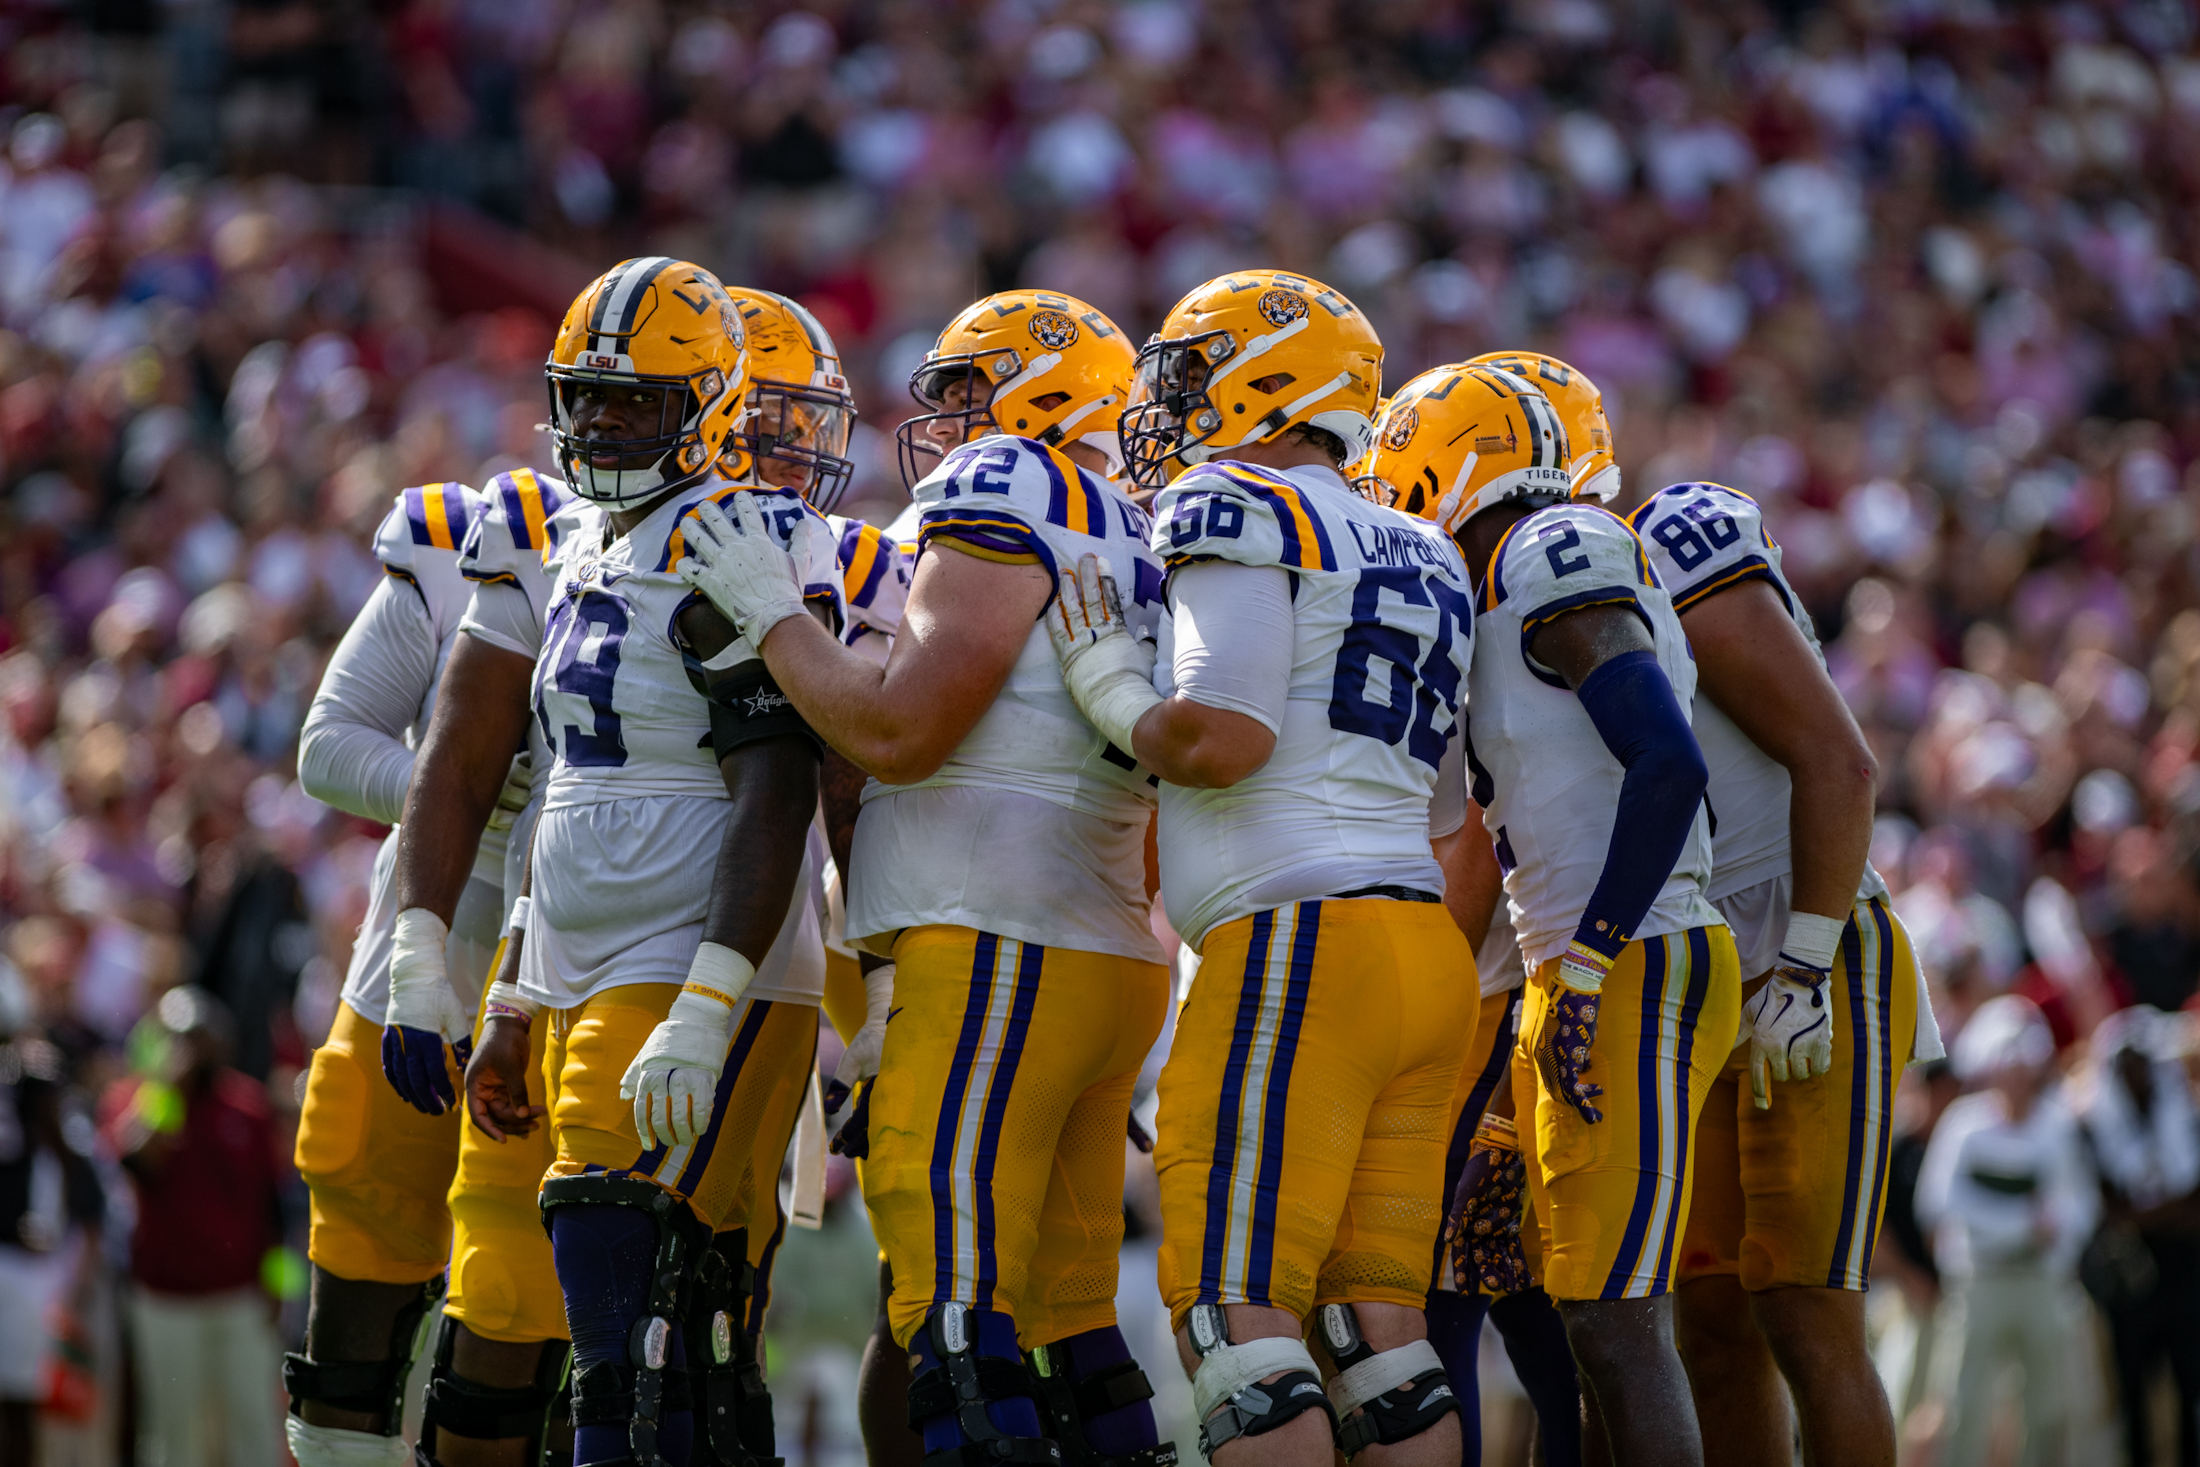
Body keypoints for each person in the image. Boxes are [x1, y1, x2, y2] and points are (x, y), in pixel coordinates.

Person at [672, 288, 1178, 1467]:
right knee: (1077, 1332)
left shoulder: (1009, 486)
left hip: (990, 943)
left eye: (963, 390)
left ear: (1039, 393)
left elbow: (898, 738)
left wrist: (771, 622)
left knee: (951, 1321)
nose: (944, 419)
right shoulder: (1140, 520)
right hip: (1097, 949)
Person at [1038, 268, 1479, 1467]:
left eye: (1188, 371)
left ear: (1270, 382)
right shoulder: (1429, 549)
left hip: (1301, 944)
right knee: (1375, 1335)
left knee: (1236, 1317)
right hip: (1415, 946)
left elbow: (1220, 738)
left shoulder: (1238, 501)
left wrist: (1104, 682)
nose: (1167, 404)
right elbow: (1446, 809)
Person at [458, 255, 842, 1467]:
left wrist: (707, 995)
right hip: (582, 962)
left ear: (715, 403)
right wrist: (517, 994)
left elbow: (777, 783)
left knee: (624, 1321)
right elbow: (564, 795)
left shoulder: (745, 531)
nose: (605, 423)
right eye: (588, 398)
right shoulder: (583, 537)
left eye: (639, 402)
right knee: (691, 1334)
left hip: (687, 957)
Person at [1363, 361, 1740, 1467]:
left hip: (1632, 954)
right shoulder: (1500, 589)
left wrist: (1586, 965)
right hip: (1572, 963)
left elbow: (1666, 764)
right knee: (1556, 1304)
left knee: (1614, 1321)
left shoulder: (1546, 549)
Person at [1612, 440, 1940, 1460]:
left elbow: (1839, 763)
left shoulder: (1667, 541)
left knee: (1804, 1305)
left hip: (1809, 939)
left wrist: (1803, 962)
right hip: (1689, 960)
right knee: (1707, 1315)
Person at [288, 477, 538, 1467]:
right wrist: (458, 793)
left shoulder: (724, 561)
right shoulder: (478, 540)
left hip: (580, 977)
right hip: (410, 977)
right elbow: (329, 746)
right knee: (353, 1349)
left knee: (525, 1335)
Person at [100, 987, 285, 1467]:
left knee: (252, 1428)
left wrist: (278, 1288)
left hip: (240, 1299)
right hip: (166, 1298)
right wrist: (167, 1091)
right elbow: (136, 1161)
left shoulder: (247, 1106)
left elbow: (273, 1207)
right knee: (175, 1434)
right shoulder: (138, 1101)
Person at [1916, 994, 2095, 1467]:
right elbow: (1938, 1203)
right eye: (2006, 1065)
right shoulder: (1963, 1126)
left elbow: (2078, 1206)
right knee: (1962, 1400)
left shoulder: (2057, 1126)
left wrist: (2052, 1231)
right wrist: (2022, 1227)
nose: (2016, 1077)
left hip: (2041, 1283)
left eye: (2025, 1066)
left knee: (2048, 1404)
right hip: (1978, 1283)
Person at [2071, 1005, 2200, 1467]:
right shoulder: (2090, 1130)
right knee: (2131, 1387)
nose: (2136, 1074)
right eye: (2126, 1065)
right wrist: (2167, 1211)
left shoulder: (2188, 1118)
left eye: (2144, 1063)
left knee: (2191, 1384)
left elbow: (2187, 1210)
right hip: (2129, 1280)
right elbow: (2104, 1212)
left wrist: (2140, 1215)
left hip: (2185, 1274)